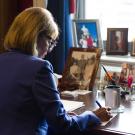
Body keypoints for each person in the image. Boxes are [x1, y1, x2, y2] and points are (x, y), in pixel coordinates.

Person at [0, 7, 112, 135]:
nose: (50, 49)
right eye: (50, 41)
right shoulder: (39, 68)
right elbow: (63, 125)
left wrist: (58, 116)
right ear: (36, 35)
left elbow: (19, 112)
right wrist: (93, 116)